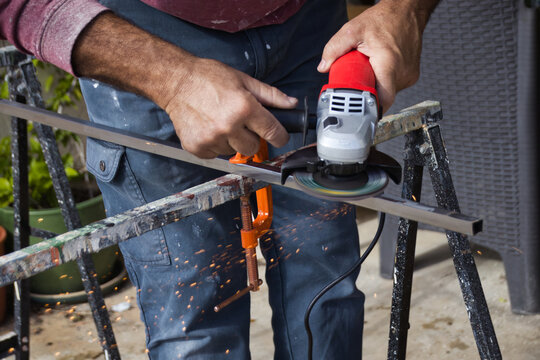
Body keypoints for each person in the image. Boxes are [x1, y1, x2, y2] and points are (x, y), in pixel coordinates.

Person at [0, 0, 439, 358]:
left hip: (312, 26)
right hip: (138, 34)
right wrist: (170, 79)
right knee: (195, 316)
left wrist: (405, 9)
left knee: (327, 292)